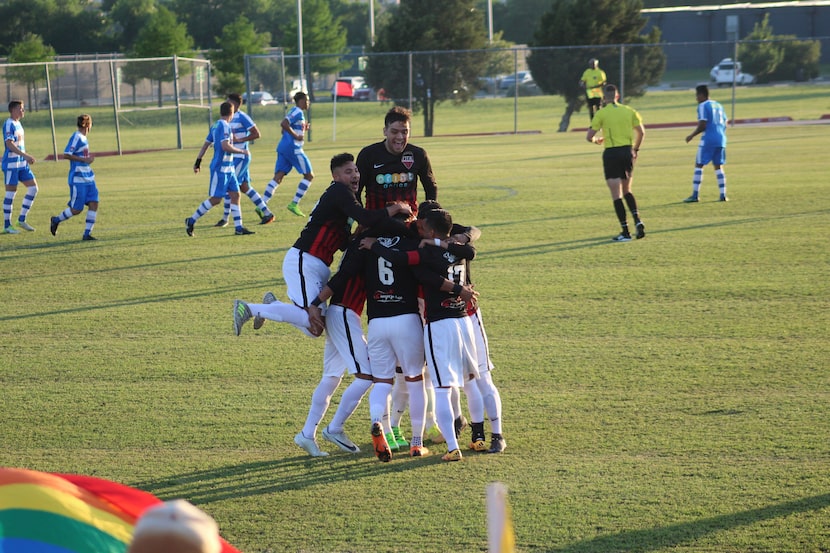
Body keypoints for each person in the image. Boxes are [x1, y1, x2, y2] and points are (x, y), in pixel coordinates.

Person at [232, 152, 412, 456]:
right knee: (357, 365)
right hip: (305, 263)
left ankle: (307, 433)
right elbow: (366, 222)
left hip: (317, 269)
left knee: (327, 365)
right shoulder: (340, 194)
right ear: (335, 176)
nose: (354, 175)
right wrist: (394, 208)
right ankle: (254, 308)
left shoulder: (346, 214)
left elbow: (354, 233)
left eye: (356, 171)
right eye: (348, 171)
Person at [586, 84, 646, 242]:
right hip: (627, 152)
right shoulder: (629, 111)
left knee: (616, 194)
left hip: (611, 153)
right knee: (627, 190)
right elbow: (641, 132)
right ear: (617, 96)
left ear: (604, 98)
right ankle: (638, 221)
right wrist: (636, 150)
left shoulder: (601, 114)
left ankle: (625, 232)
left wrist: (596, 140)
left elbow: (589, 136)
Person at [186, 101, 254, 236]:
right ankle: (191, 220)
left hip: (229, 169)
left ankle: (239, 228)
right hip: (220, 169)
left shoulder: (215, 125)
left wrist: (198, 161)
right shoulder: (224, 126)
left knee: (235, 195)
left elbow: (206, 145)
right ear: (232, 113)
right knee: (216, 199)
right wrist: (241, 152)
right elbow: (225, 146)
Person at [207, 93, 275, 227]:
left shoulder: (243, 117)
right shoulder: (227, 119)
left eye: (230, 102)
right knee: (245, 187)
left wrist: (240, 140)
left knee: (229, 187)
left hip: (240, 156)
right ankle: (267, 213)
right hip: (233, 157)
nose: (228, 104)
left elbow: (257, 134)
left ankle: (225, 219)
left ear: (237, 104)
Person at [356, 106, 437, 215]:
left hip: (409, 222)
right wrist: (364, 217)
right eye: (394, 132)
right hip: (377, 222)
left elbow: (431, 187)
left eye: (404, 132)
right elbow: (355, 190)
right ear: (385, 131)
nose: (400, 137)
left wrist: (426, 216)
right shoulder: (368, 154)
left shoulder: (418, 154)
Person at [261, 91, 313, 217]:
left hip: (283, 147)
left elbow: (283, 129)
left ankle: (261, 204)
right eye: (307, 100)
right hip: (293, 148)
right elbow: (283, 124)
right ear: (301, 101)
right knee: (309, 175)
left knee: (278, 177)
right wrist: (296, 136)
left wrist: (302, 129)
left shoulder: (293, 112)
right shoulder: (298, 111)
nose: (308, 103)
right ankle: (294, 204)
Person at [49, 114, 100, 240]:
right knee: (76, 209)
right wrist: (85, 159)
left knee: (94, 203)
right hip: (78, 179)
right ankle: (56, 220)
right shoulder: (76, 137)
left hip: (88, 177)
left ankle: (87, 234)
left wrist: (86, 160)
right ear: (87, 125)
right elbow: (66, 154)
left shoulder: (83, 138)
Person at [684, 84, 729, 203]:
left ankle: (695, 195)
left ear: (701, 95)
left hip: (708, 139)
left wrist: (691, 135)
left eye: (697, 96)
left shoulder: (703, 106)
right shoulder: (719, 105)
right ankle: (723, 195)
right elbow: (725, 123)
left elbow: (703, 124)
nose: (696, 98)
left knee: (699, 165)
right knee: (718, 166)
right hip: (721, 139)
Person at [2, 100, 38, 234]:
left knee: (33, 188)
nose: (23, 111)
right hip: (11, 165)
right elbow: (9, 145)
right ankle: (7, 225)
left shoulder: (18, 124)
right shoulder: (9, 124)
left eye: (23, 108)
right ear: (13, 110)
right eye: (21, 109)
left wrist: (24, 158)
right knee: (11, 194)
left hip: (22, 164)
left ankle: (21, 219)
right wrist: (26, 155)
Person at [579, 58, 607, 123]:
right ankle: (593, 123)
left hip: (597, 92)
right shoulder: (587, 72)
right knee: (591, 108)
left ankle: (600, 122)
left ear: (597, 64)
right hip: (590, 93)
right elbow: (582, 80)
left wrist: (595, 87)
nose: (592, 65)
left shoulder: (600, 72)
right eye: (591, 64)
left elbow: (604, 82)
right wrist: (582, 85)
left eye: (593, 64)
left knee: (599, 108)